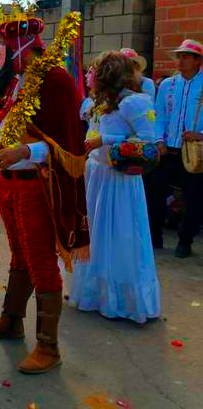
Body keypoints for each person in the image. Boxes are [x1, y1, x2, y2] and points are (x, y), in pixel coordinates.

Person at [0, 14, 88, 374]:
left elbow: (69, 145)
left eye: (6, 49)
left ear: (23, 46)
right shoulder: (17, 82)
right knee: (19, 254)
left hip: (36, 186)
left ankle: (48, 347)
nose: (2, 56)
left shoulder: (56, 81)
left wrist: (26, 152)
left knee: (40, 260)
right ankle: (12, 319)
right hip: (6, 184)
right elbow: (6, 127)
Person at [70, 52, 160, 323]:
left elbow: (148, 144)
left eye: (91, 71)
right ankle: (96, 294)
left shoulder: (134, 103)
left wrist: (104, 140)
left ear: (105, 74)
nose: (86, 76)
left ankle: (122, 300)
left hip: (119, 182)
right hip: (95, 177)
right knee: (96, 238)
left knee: (121, 237)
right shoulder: (97, 103)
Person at [151, 38, 203, 257]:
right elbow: (158, 115)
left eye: (186, 57)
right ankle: (155, 237)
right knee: (156, 193)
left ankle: (185, 240)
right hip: (168, 150)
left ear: (198, 60)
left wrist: (201, 135)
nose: (181, 61)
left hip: (194, 151)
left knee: (194, 197)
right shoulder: (167, 85)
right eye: (179, 57)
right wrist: (159, 140)